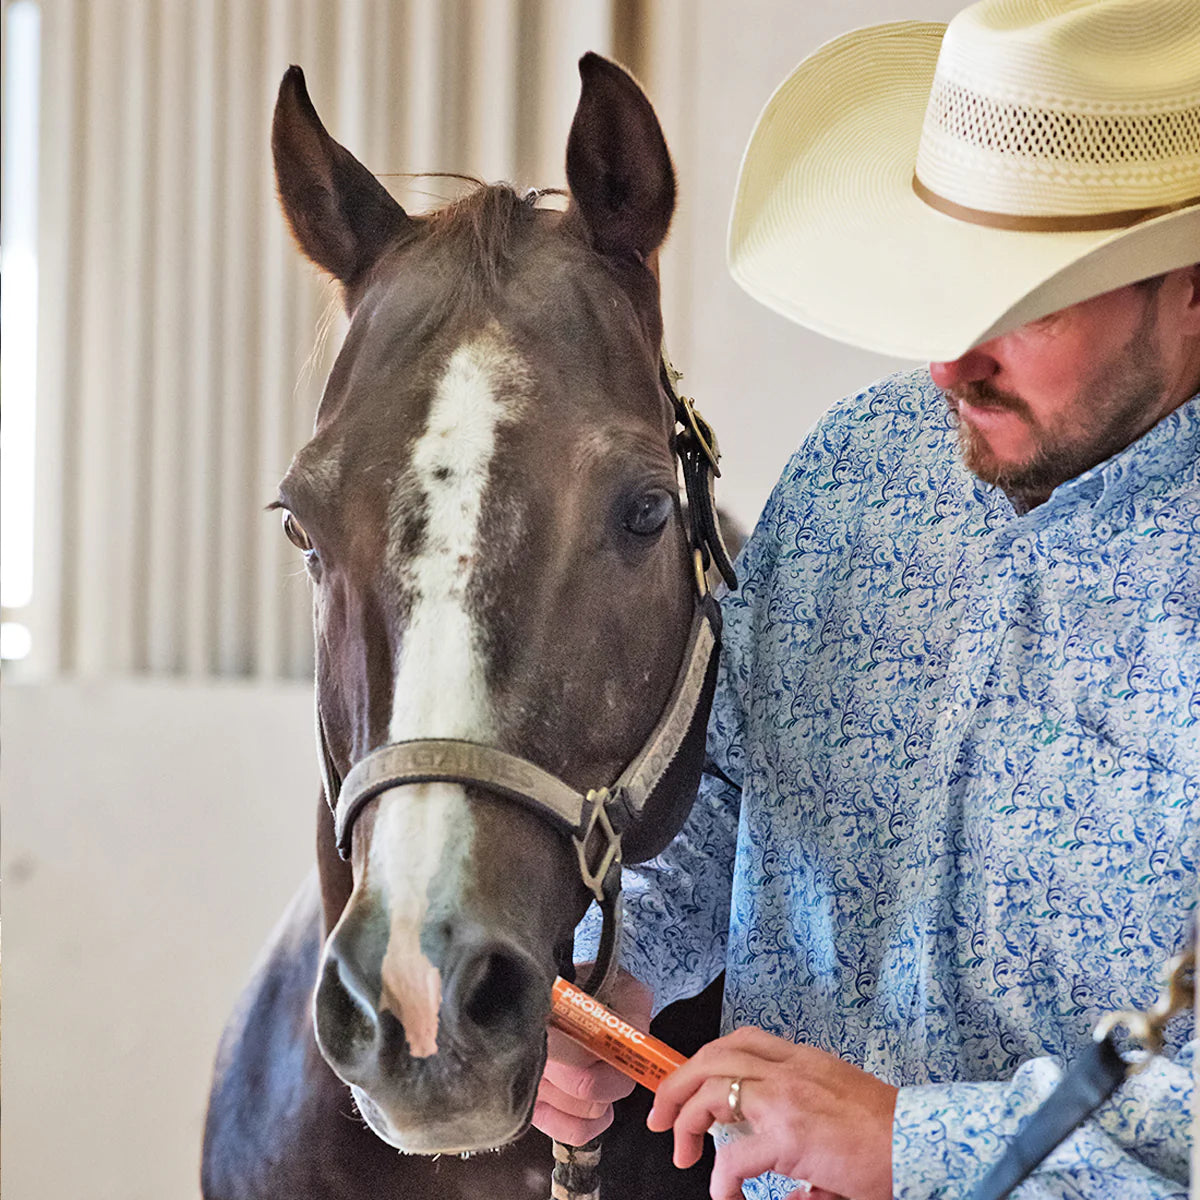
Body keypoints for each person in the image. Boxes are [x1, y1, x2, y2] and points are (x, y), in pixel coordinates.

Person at [533, 1, 1200, 1198]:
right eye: (948, 281)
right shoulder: (857, 468)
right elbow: (731, 790)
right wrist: (613, 971)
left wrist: (909, 1146)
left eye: (1031, 300)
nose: (951, 361)